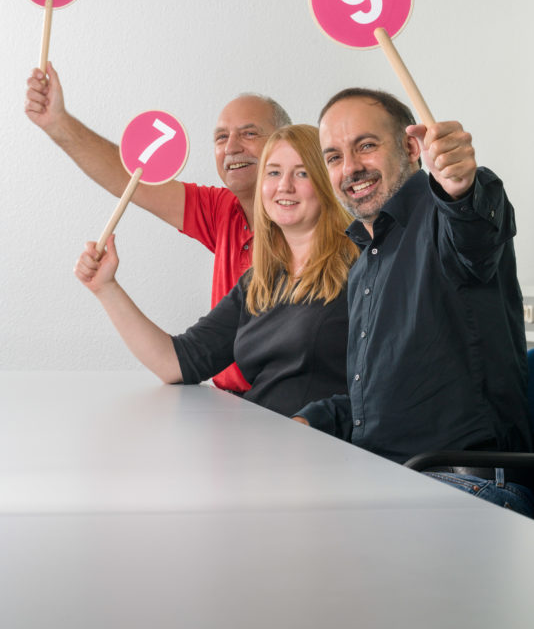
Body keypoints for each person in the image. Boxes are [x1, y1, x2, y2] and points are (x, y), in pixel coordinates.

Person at [293, 87, 534, 517]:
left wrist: (460, 185)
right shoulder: (365, 264)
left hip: (465, 485)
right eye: (333, 157)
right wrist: (310, 421)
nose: (350, 168)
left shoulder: (447, 210)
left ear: (410, 147)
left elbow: (475, 222)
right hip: (389, 479)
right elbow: (378, 402)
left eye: (365, 145)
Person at [25, 63, 291, 393]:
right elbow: (132, 179)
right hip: (227, 407)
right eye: (221, 137)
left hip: (284, 414)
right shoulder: (223, 210)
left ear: (286, 145)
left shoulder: (306, 233)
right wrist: (57, 123)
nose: (232, 147)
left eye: (249, 133)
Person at [74, 124, 359, 416]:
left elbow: (382, 390)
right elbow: (179, 363)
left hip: (319, 450)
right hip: (260, 440)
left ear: (327, 183)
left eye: (302, 173)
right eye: (273, 172)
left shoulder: (361, 269)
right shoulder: (260, 280)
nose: (284, 186)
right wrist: (106, 288)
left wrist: (312, 424)